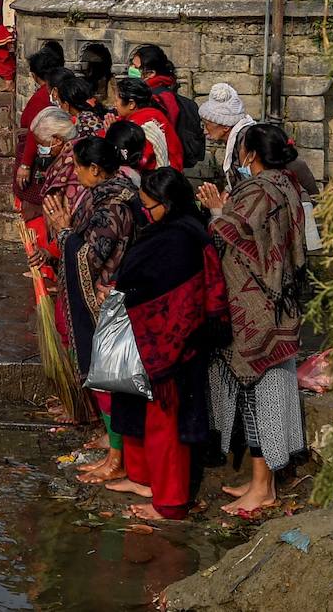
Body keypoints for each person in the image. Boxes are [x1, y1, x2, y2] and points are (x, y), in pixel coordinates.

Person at [197, 124, 309, 516]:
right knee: (258, 393)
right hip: (279, 304)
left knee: (257, 392)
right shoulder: (288, 185)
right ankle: (260, 480)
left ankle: (264, 487)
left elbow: (227, 234)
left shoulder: (258, 191)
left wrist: (214, 210)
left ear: (249, 155)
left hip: (255, 309)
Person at [106, 168, 228, 521]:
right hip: (148, 337)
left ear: (169, 203)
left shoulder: (180, 237)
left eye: (151, 207)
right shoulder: (173, 228)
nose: (146, 214)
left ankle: (170, 503)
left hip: (171, 345)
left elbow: (178, 297)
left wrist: (125, 296)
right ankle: (144, 479)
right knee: (138, 410)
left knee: (165, 424)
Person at [39, 136, 138, 483]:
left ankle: (117, 459)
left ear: (95, 169)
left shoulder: (113, 206)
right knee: (102, 378)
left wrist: (65, 233)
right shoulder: (109, 194)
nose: (76, 173)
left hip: (107, 301)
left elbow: (90, 256)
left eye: (79, 167)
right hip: (105, 297)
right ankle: (112, 445)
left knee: (106, 377)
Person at [16, 106, 83, 231]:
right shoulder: (64, 157)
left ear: (57, 140)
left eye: (41, 144)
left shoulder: (74, 162)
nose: (39, 149)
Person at [114, 77, 183, 171]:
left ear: (131, 104)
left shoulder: (139, 125)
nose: (115, 105)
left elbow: (140, 160)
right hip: (173, 172)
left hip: (156, 178)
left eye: (116, 100)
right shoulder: (156, 114)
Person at [198, 83, 258, 190]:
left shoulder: (245, 141)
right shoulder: (236, 138)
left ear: (225, 127)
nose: (205, 131)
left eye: (207, 125)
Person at [129, 44, 183, 126]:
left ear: (151, 73)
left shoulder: (158, 97)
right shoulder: (149, 90)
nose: (131, 68)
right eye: (131, 64)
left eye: (136, 67)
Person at [55, 73, 109, 137]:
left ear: (66, 105)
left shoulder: (83, 123)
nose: (59, 106)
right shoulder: (91, 115)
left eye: (60, 102)